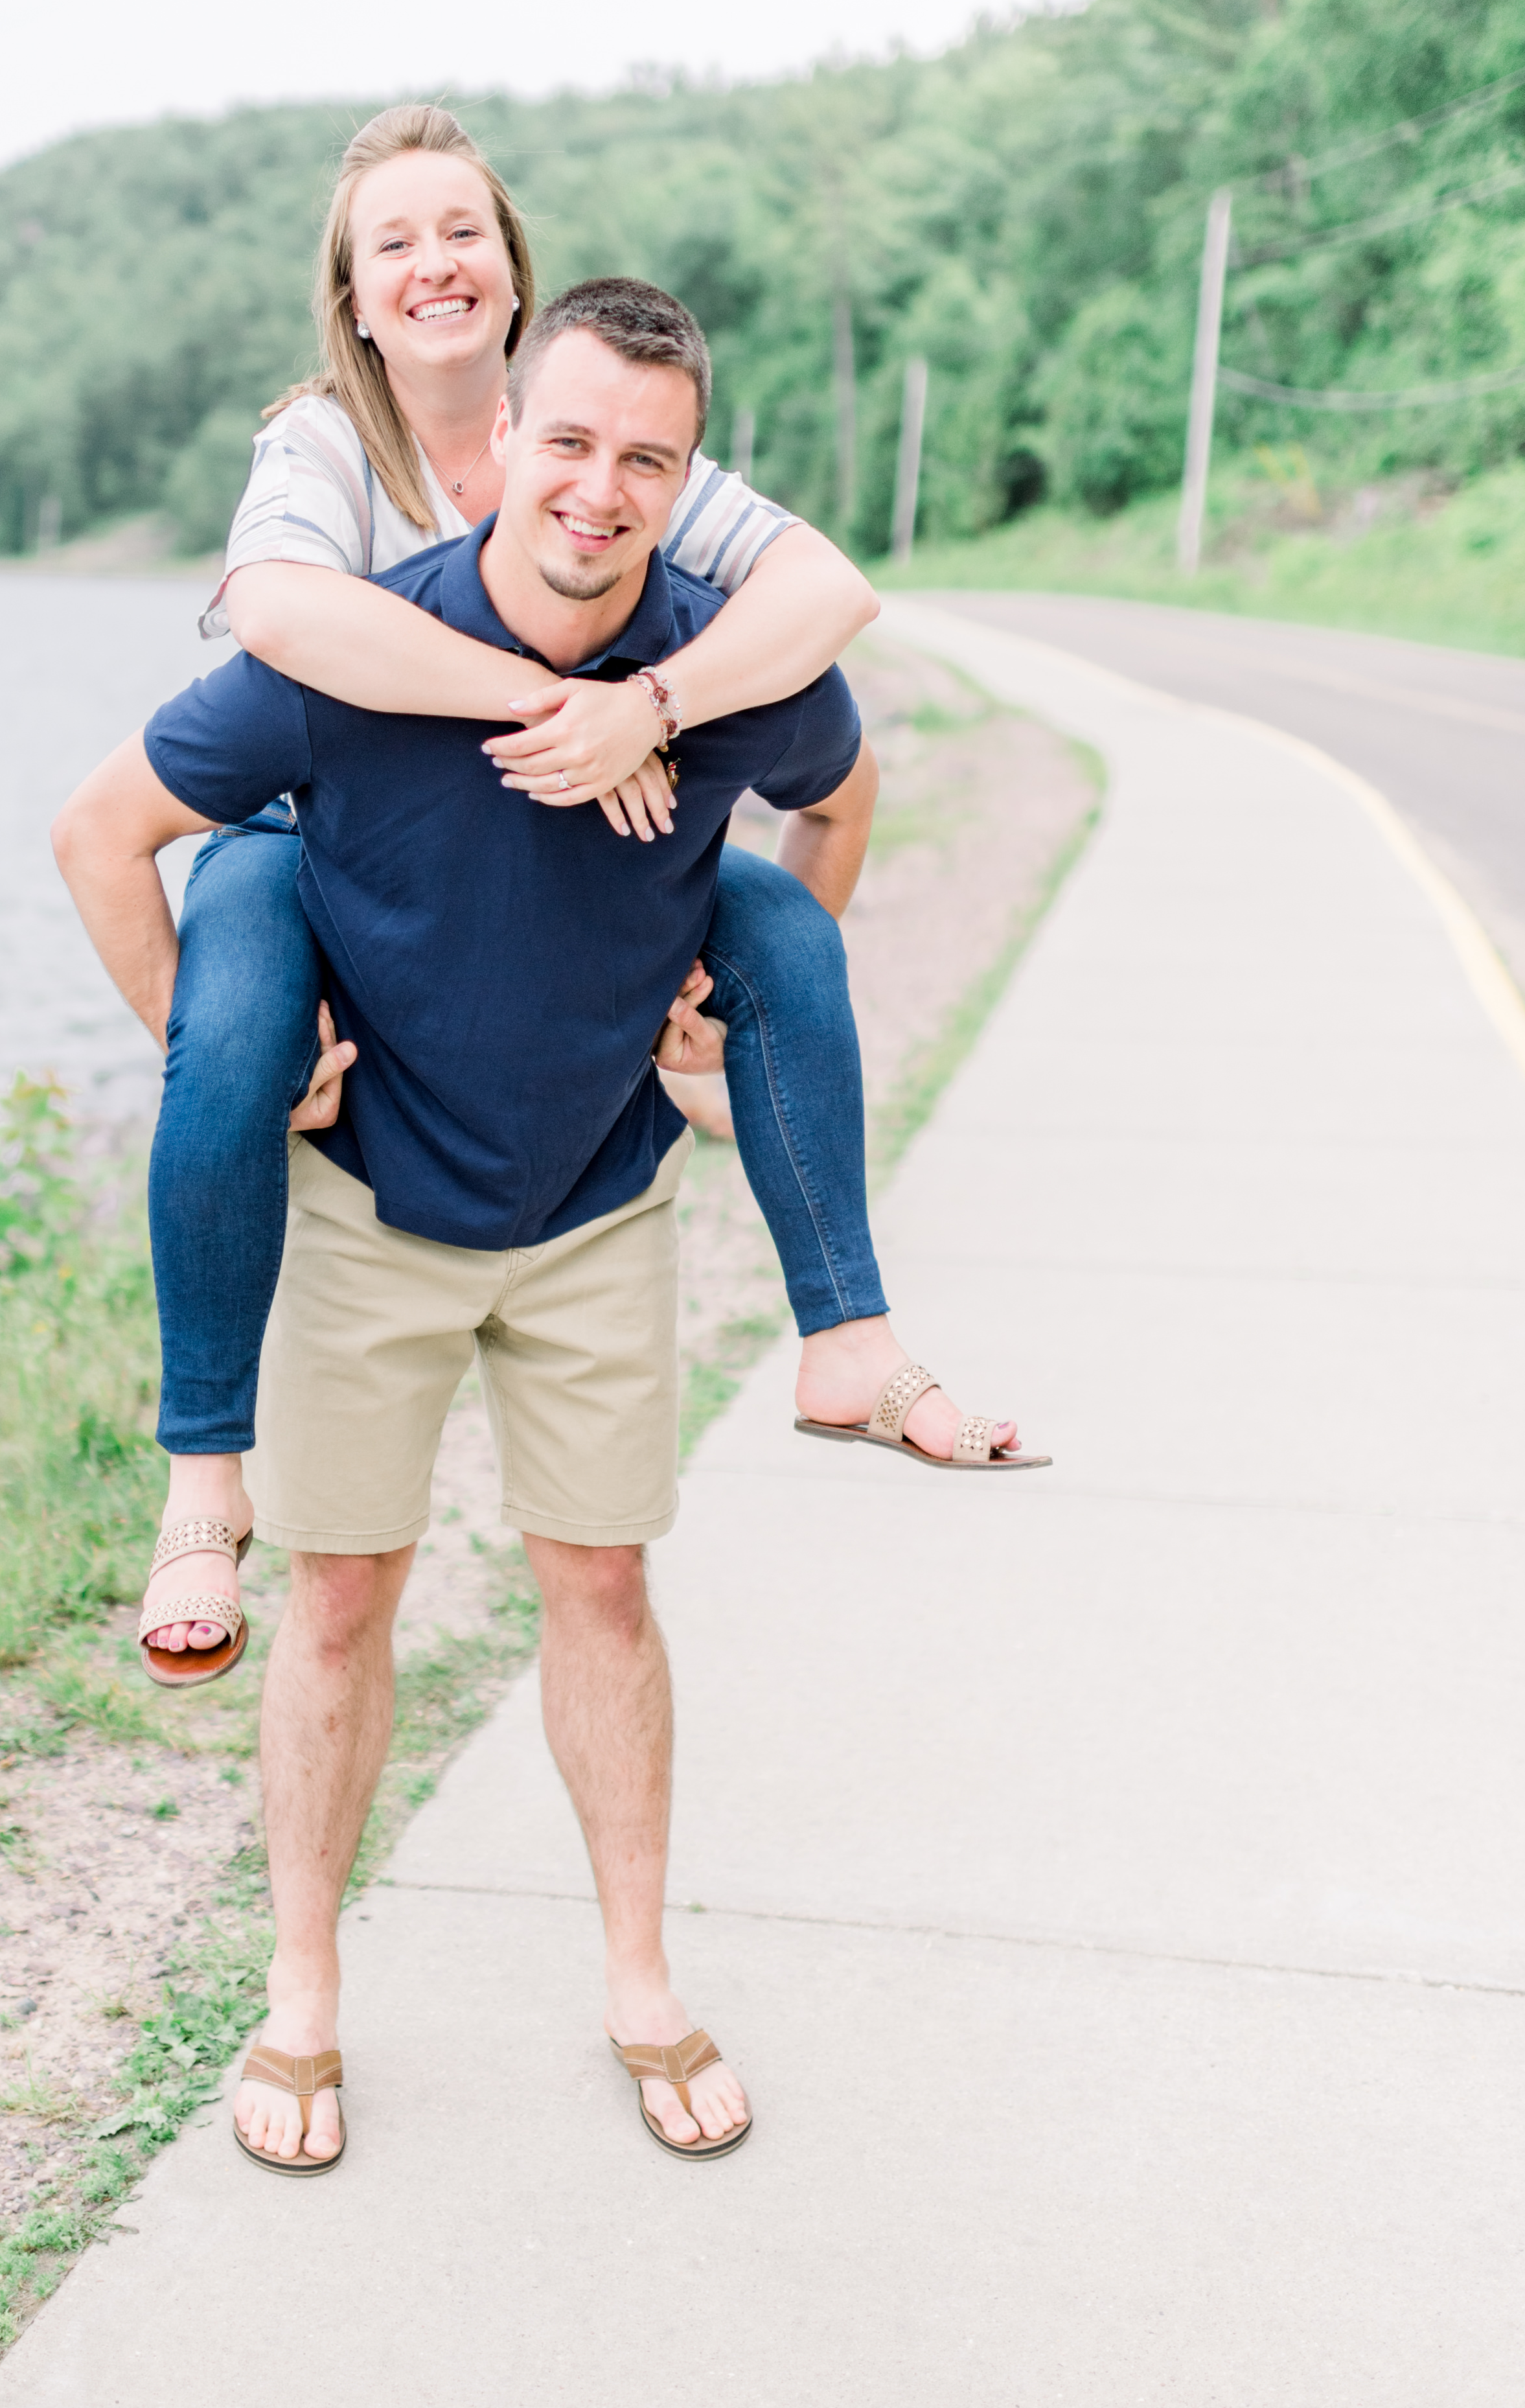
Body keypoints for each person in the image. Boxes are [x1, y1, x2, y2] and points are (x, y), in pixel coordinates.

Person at [52, 279, 1046, 2171]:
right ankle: (301, 2003)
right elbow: (101, 836)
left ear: (689, 484)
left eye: (647, 462)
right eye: (569, 441)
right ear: (500, 439)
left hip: (596, 1202)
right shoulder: (353, 658)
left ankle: (642, 1988)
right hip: (370, 1211)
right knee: (343, 1597)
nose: (599, 489)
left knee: (603, 1587)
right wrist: (235, 1058)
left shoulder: (730, 660)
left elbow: (839, 807)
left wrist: (713, 1028)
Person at [133, 104, 1036, 1678]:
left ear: (512, 266)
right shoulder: (322, 443)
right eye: (390, 242)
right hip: (316, 827)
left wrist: (659, 708)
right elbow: (279, 611)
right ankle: (204, 1479)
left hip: (564, 843)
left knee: (760, 919)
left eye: (461, 230)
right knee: (224, 1021)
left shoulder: (602, 423)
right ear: (352, 296)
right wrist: (557, 705)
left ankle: (849, 1335)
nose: (432, 263)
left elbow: (828, 595)